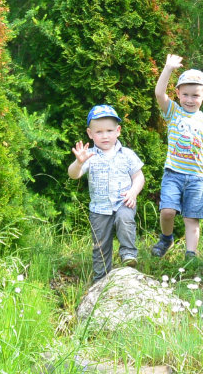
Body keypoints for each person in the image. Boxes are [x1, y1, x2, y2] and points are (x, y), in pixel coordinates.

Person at [150, 54, 203, 260]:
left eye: (195, 95)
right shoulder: (173, 112)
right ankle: (166, 239)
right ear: (177, 93)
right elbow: (159, 93)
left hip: (196, 179)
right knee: (167, 211)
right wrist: (168, 69)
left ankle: (190, 256)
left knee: (191, 219)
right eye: (185, 94)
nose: (190, 100)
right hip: (173, 174)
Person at [68, 104, 145, 281]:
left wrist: (133, 193)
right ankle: (101, 280)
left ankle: (128, 254)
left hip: (124, 203)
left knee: (124, 219)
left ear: (118, 131)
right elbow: (74, 175)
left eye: (109, 131)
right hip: (99, 210)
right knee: (100, 246)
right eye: (99, 132)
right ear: (90, 134)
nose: (104, 136)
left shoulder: (127, 154)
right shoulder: (88, 155)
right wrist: (78, 162)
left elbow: (139, 177)